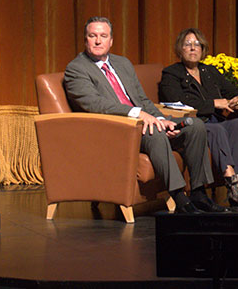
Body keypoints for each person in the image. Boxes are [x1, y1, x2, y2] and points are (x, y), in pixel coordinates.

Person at [63, 17, 225, 214]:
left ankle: (199, 194)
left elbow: (142, 99)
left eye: (103, 36)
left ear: (111, 40)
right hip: (117, 129)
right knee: (154, 133)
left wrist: (161, 119)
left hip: (143, 121)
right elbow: (94, 104)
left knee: (196, 126)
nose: (98, 41)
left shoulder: (122, 63)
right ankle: (180, 199)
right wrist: (138, 114)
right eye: (92, 36)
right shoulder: (76, 69)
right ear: (85, 39)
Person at [158, 28, 238, 209]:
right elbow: (178, 101)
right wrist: (214, 103)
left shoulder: (209, 71)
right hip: (193, 124)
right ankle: (234, 186)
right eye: (187, 44)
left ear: (203, 49)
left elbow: (235, 90)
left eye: (197, 44)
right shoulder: (171, 74)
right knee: (218, 129)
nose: (192, 48)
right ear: (180, 50)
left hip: (215, 121)